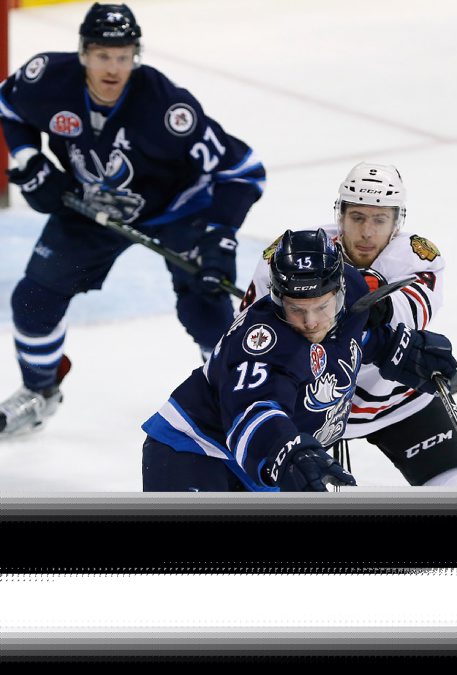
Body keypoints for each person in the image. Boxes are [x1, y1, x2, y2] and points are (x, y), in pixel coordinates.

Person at [0, 3, 265, 437]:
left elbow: (244, 170)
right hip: (92, 209)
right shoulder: (47, 78)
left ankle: (237, 408)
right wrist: (31, 161)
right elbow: (7, 106)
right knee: (33, 301)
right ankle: (39, 393)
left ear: (136, 56)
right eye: (103, 55)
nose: (113, 67)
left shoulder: (168, 110)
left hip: (179, 211)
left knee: (206, 311)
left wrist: (221, 235)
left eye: (123, 56)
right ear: (83, 53)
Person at [141, 229, 457, 492]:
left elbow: (355, 336)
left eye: (321, 307)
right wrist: (287, 451)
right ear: (277, 296)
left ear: (340, 290)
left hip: (264, 467)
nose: (310, 322)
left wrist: (399, 349)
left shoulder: (350, 293)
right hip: (196, 452)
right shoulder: (262, 342)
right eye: (296, 308)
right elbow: (253, 410)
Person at [241, 163, 457, 486]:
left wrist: (370, 305)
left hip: (395, 399)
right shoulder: (292, 254)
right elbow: (250, 333)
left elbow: (408, 311)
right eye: (358, 218)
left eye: (379, 220)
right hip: (311, 405)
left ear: (397, 223)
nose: (367, 232)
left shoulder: (415, 257)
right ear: (340, 217)